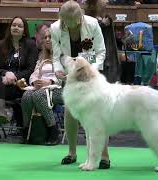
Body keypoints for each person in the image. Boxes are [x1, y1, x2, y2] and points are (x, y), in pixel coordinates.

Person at [51, 0, 110, 169]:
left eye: (72, 24)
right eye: (64, 22)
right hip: (70, 75)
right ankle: (72, 152)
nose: (67, 26)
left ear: (80, 18)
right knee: (70, 111)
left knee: (98, 114)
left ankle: (104, 155)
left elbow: (101, 52)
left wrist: (90, 71)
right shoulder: (55, 28)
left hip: (92, 72)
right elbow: (57, 56)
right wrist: (57, 71)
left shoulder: (92, 25)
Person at [0, 16, 38, 143]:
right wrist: (5, 73)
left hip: (20, 86)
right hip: (2, 84)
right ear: (10, 27)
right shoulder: (0, 45)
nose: (16, 28)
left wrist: (14, 76)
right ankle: (2, 112)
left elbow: (31, 69)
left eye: (19, 26)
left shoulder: (30, 45)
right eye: (14, 25)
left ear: (24, 30)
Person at [21, 27, 62, 145]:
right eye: (45, 37)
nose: (48, 40)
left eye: (51, 37)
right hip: (41, 89)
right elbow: (34, 73)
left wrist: (49, 82)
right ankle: (27, 129)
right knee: (26, 96)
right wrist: (35, 82)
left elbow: (64, 76)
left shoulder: (63, 56)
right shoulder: (42, 57)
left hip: (59, 89)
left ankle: (53, 131)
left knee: (39, 95)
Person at [84, 0, 120, 83]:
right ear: (94, 3)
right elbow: (86, 41)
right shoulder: (86, 20)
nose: (107, 2)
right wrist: (102, 25)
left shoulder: (105, 19)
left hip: (107, 63)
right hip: (93, 62)